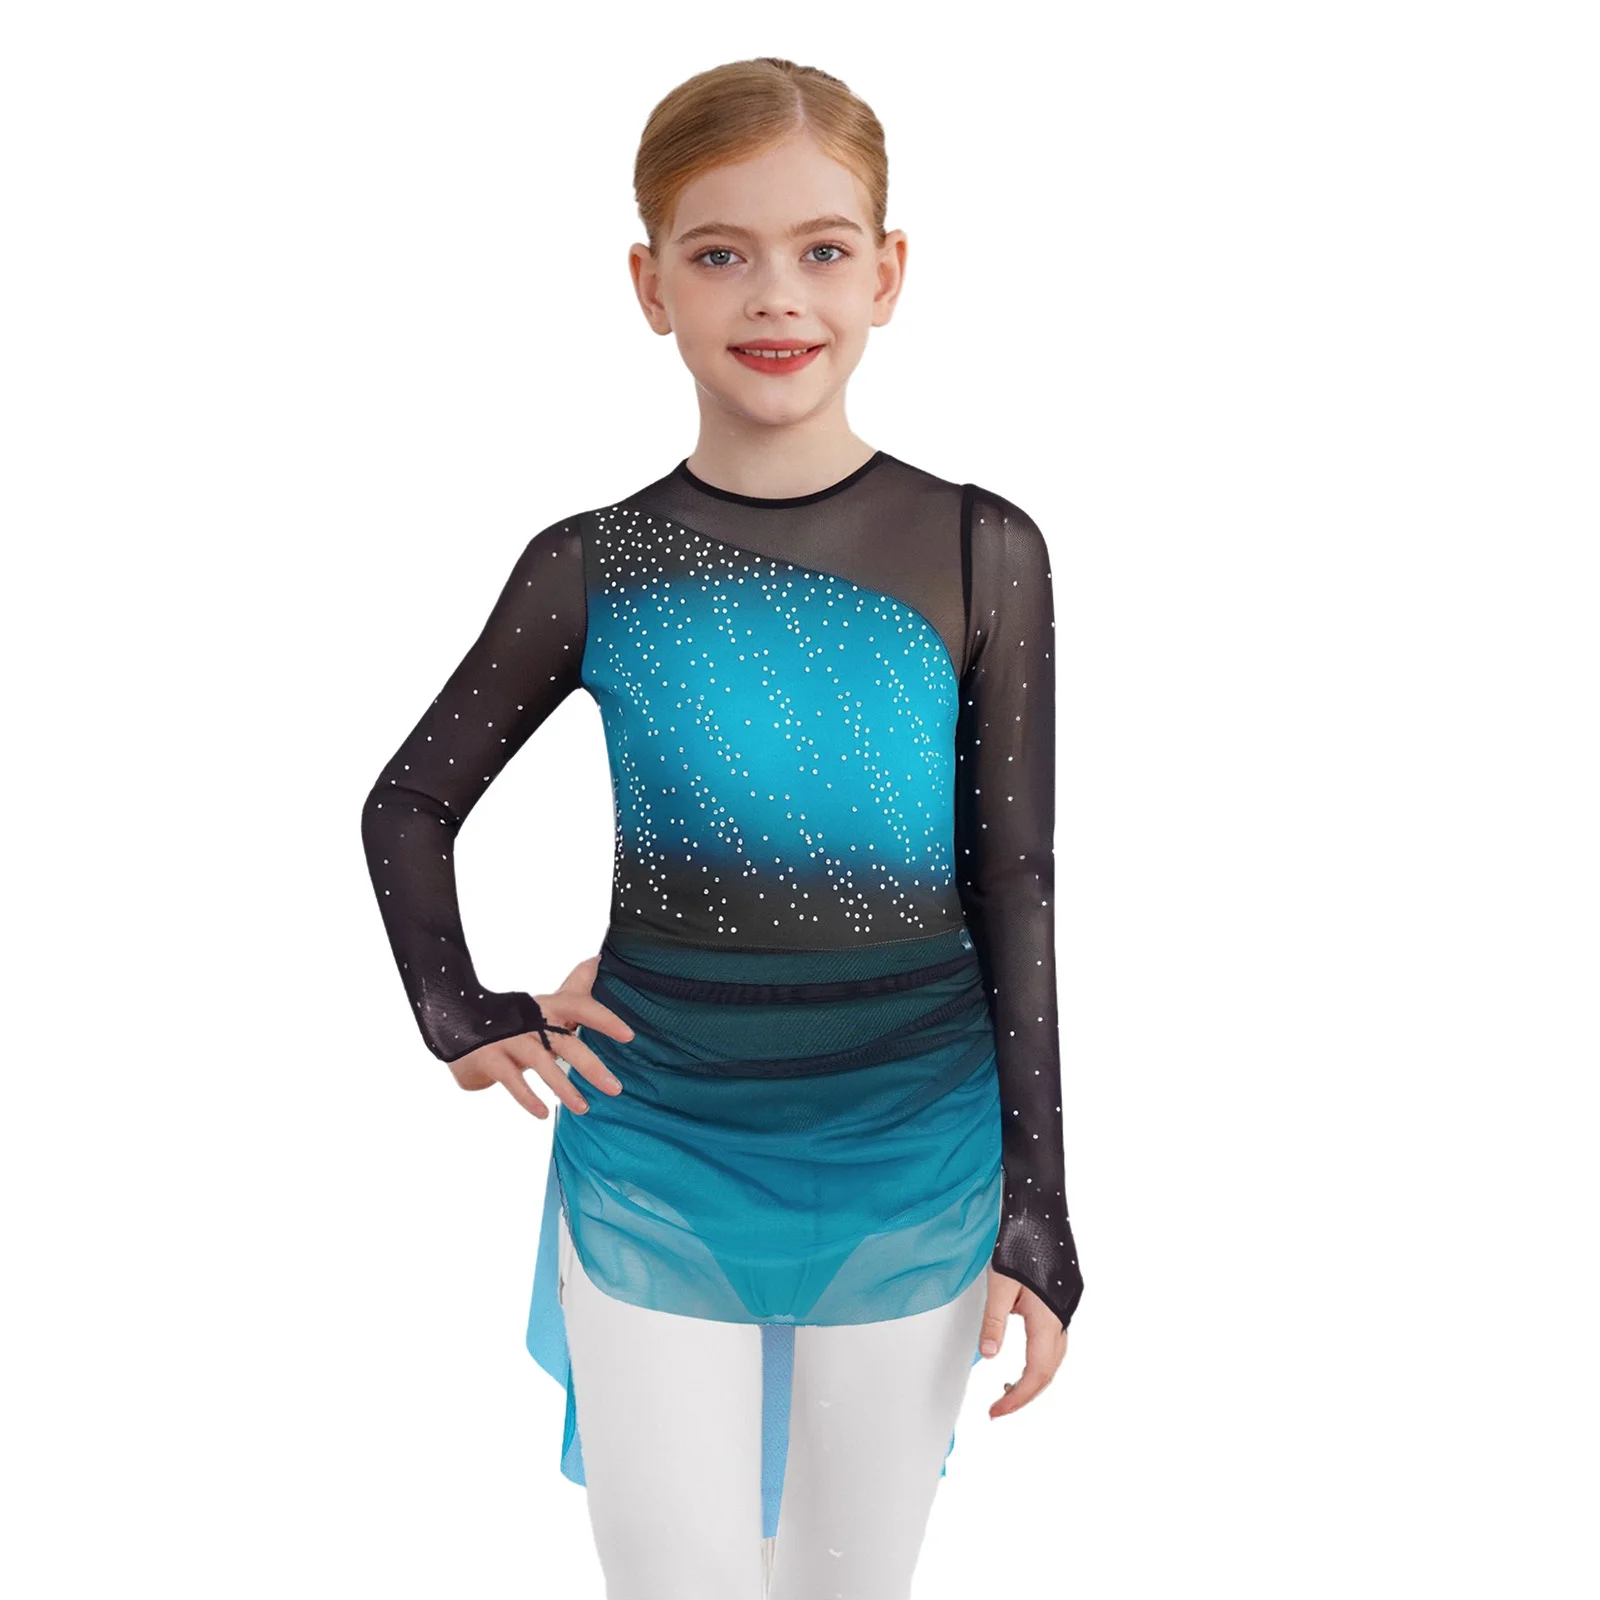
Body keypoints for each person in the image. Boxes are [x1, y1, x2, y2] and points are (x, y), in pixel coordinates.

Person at [361, 56, 1084, 1600]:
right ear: (650, 285)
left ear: (888, 274)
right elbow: (410, 802)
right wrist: (457, 1010)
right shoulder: (591, 563)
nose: (776, 296)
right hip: (659, 1146)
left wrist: (1040, 1203)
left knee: (845, 1587)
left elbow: (1014, 885)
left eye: (823, 249)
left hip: (915, 1150)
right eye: (719, 253)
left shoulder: (983, 548)